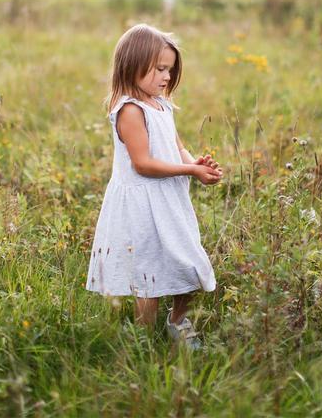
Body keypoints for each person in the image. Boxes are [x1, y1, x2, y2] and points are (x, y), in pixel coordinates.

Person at [85, 23, 222, 348]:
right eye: (160, 69)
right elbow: (142, 163)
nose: (167, 77)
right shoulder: (130, 110)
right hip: (141, 205)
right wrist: (188, 169)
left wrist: (194, 162)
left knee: (189, 260)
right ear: (132, 65)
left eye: (170, 71)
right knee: (148, 274)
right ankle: (142, 342)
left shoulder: (162, 105)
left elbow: (175, 143)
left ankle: (177, 321)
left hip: (169, 199)